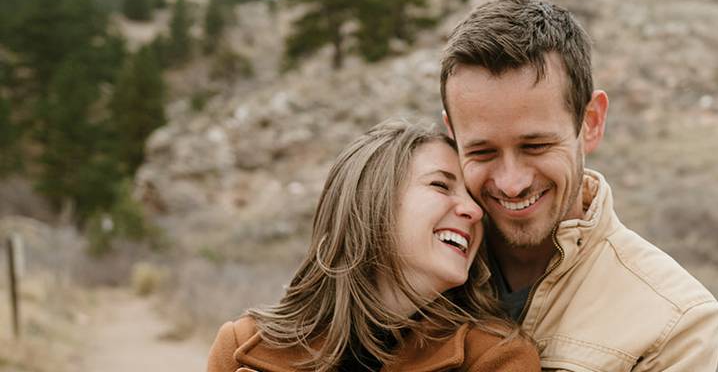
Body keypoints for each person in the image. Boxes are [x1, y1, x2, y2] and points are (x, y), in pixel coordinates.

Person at [440, 0, 718, 372]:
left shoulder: (674, 320)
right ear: (452, 135)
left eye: (536, 145)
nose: (511, 183)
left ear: (590, 122)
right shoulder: (417, 271)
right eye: (483, 152)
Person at [207, 120, 540, 372]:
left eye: (471, 196)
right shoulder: (241, 345)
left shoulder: (496, 357)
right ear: (372, 203)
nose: (475, 211)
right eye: (441, 185)